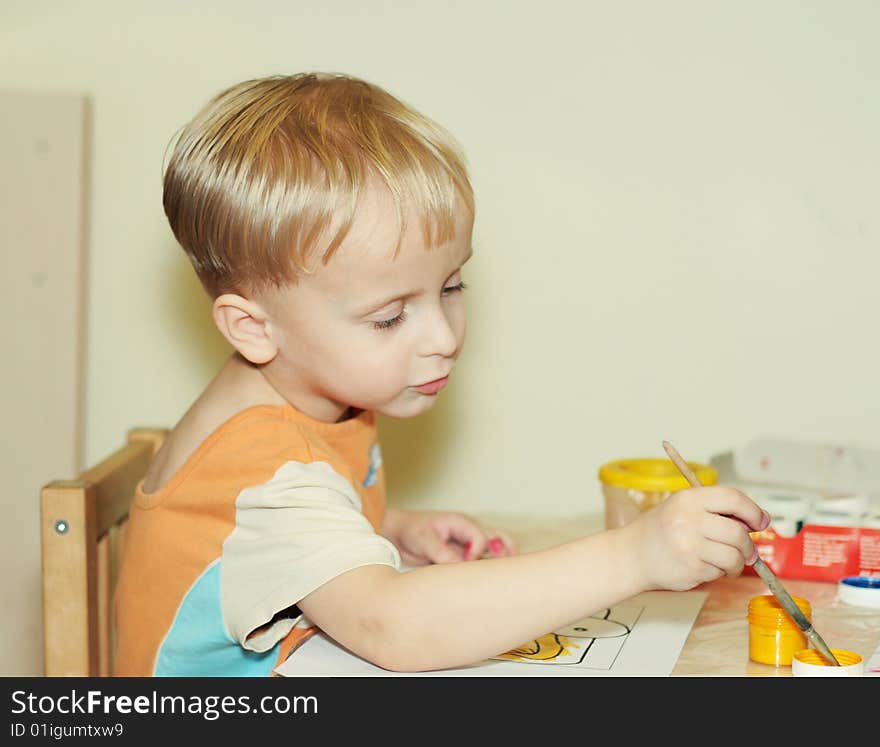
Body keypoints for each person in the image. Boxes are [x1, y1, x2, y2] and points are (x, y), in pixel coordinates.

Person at [113, 72, 770, 676]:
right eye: (389, 316)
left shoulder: (307, 394)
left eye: (451, 286)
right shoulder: (263, 477)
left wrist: (389, 527)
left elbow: (276, 535)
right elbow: (391, 623)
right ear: (254, 328)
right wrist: (632, 556)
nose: (445, 336)